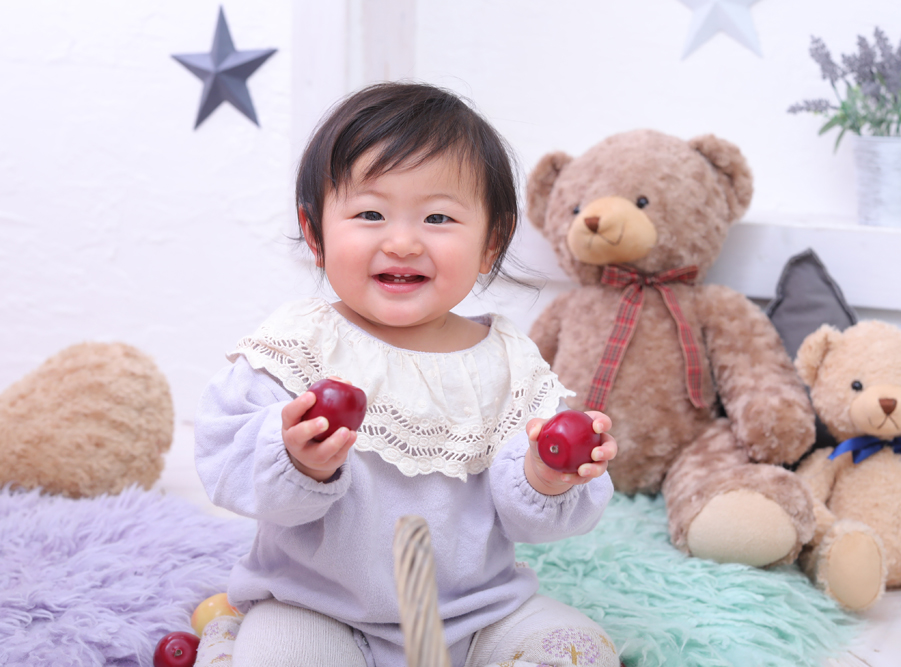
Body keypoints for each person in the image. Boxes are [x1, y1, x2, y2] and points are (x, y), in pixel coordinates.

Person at [195, 82, 620, 667]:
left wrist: (545, 476)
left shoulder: (509, 364)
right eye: (370, 214)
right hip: (318, 608)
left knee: (579, 651)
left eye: (438, 217)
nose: (401, 242)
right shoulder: (298, 346)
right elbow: (224, 461)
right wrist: (297, 460)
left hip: (478, 613)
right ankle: (231, 643)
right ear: (316, 234)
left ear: (492, 241)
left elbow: (531, 518)